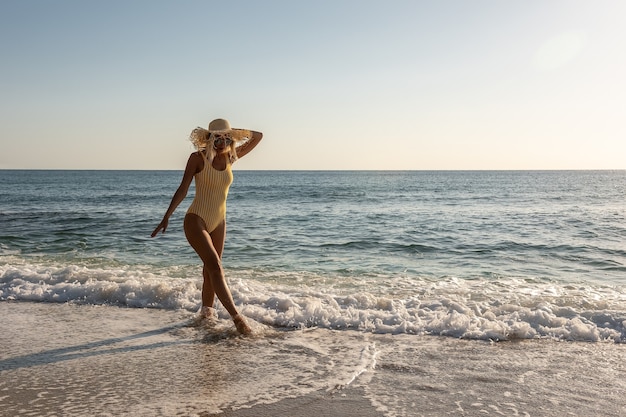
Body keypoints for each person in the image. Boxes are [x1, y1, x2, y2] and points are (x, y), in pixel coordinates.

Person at [151, 118, 263, 335]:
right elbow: (183, 189)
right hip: (196, 219)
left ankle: (206, 315)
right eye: (216, 137)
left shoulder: (231, 156)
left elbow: (258, 136)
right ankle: (237, 319)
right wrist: (166, 217)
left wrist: (233, 133)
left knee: (209, 271)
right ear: (208, 138)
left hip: (219, 221)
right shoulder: (197, 158)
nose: (221, 142)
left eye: (226, 137)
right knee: (215, 267)